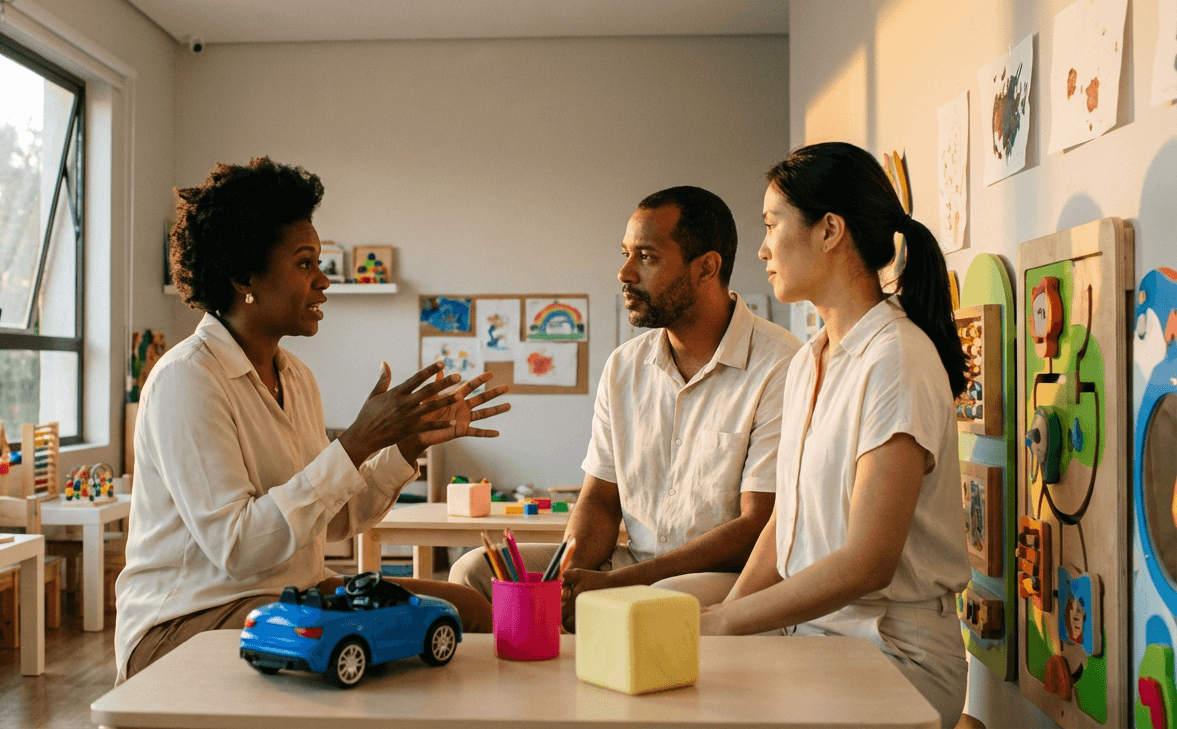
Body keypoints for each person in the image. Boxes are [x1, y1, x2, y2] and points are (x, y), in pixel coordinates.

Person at [115, 157, 509, 683]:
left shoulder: (296, 377)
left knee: (470, 609)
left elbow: (335, 520)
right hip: (190, 616)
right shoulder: (186, 381)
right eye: (305, 264)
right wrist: (354, 445)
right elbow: (239, 549)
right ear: (243, 276)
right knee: (353, 656)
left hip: (290, 597)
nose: (323, 282)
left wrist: (405, 446)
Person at [699, 142, 970, 729]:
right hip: (817, 639)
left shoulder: (895, 360)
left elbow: (867, 564)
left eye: (772, 226)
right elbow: (786, 523)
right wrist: (725, 619)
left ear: (829, 231)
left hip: (895, 657)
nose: (764, 249)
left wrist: (721, 624)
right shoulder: (809, 360)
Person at [449, 186, 800, 628]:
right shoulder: (625, 366)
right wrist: (565, 574)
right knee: (474, 571)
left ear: (706, 268)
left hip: (724, 580)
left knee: (659, 598)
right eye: (626, 254)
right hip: (632, 565)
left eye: (647, 257)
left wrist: (621, 583)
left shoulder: (781, 364)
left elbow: (758, 525)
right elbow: (599, 498)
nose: (624, 273)